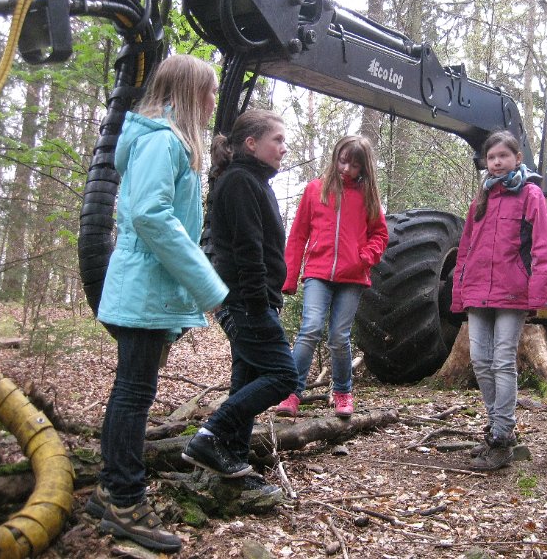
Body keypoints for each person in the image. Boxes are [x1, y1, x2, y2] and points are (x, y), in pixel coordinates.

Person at [89, 54, 229, 553]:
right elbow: (151, 215)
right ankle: (125, 500)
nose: (214, 101)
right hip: (145, 287)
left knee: (132, 390)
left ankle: (110, 487)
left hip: (149, 288)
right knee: (133, 393)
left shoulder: (166, 142)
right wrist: (207, 286)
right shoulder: (163, 141)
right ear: (190, 93)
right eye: (209, 92)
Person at [181, 109, 298, 495]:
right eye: (277, 140)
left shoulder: (252, 180)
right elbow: (248, 249)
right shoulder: (240, 182)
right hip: (247, 301)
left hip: (253, 299)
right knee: (284, 377)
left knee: (246, 381)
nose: (284, 147)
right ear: (252, 144)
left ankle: (231, 465)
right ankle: (210, 434)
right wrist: (256, 303)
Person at [451, 130, 547, 471]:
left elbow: (541, 247)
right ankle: (497, 430)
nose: (496, 162)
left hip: (513, 292)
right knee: (480, 360)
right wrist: (459, 292)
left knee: (502, 360)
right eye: (491, 157)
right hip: (478, 291)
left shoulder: (531, 195)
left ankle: (502, 437)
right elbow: (465, 251)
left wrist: (537, 294)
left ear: (517, 158)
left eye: (503, 156)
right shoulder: (479, 200)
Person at [274, 135, 388, 418]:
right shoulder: (315, 190)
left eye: (354, 165)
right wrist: (288, 278)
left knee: (339, 336)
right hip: (318, 273)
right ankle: (291, 392)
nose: (346, 169)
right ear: (335, 157)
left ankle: (342, 392)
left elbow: (380, 234)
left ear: (364, 168)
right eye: (343, 161)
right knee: (310, 329)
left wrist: (365, 257)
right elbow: (298, 235)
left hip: (352, 278)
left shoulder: (368, 196)